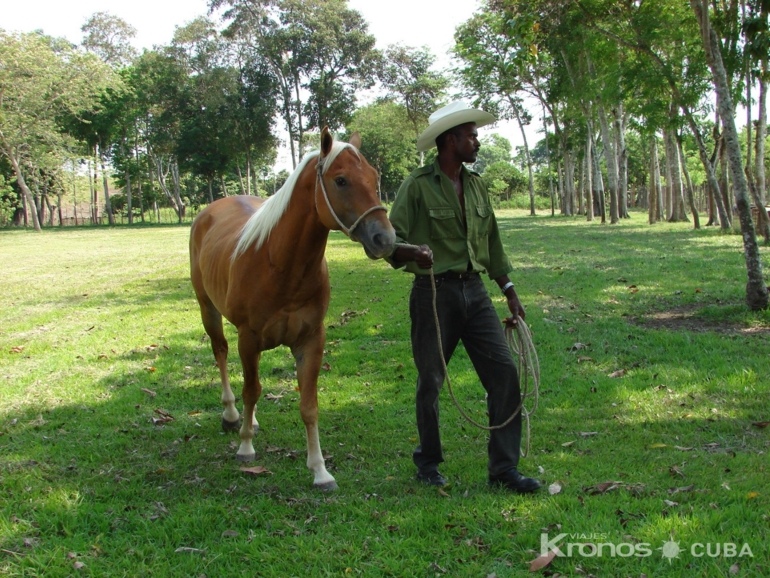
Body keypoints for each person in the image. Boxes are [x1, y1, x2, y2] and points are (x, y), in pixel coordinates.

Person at [387, 101, 541, 493]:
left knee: (505, 374)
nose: (477, 141)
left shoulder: (475, 185)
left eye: (475, 135)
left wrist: (508, 290)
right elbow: (388, 240)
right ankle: (429, 463)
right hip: (433, 294)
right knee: (431, 381)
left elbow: (491, 242)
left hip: (475, 291)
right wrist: (413, 252)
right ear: (450, 140)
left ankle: (504, 469)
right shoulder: (417, 185)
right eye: (471, 135)